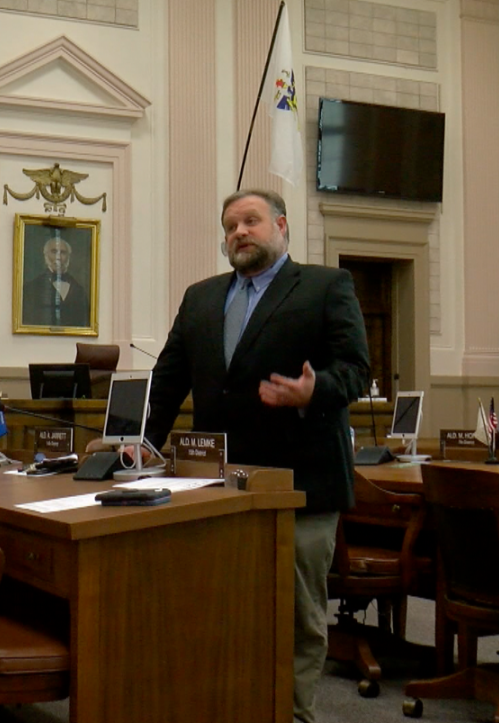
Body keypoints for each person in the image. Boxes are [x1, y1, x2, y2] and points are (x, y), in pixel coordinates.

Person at [143, 189, 368, 723]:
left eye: (251, 221)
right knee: (218, 607)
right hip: (214, 487)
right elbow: (169, 380)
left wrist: (316, 391)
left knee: (295, 614)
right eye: (230, 226)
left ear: (281, 226)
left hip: (301, 484)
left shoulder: (324, 286)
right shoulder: (201, 297)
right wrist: (138, 440)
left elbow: (356, 369)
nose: (239, 232)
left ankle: (292, 713)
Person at [21, 232, 90, 327]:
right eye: (54, 252)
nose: (58, 257)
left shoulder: (80, 291)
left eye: (63, 253)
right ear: (45, 256)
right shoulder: (30, 289)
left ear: (68, 257)